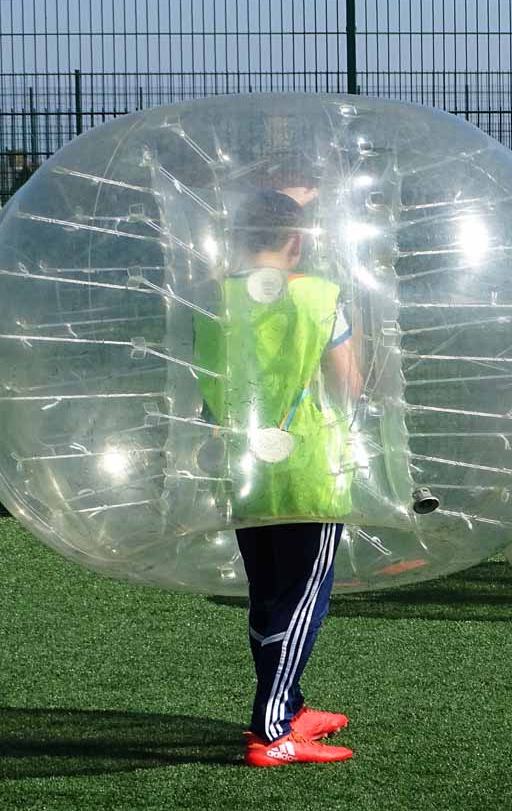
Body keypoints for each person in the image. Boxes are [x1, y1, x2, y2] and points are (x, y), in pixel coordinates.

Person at [193, 188, 360, 766]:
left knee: (267, 595)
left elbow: (208, 384)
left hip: (243, 470)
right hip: (308, 471)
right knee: (301, 599)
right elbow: (348, 386)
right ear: (297, 242)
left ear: (240, 240)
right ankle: (272, 732)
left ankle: (286, 704)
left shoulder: (215, 299)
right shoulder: (319, 297)